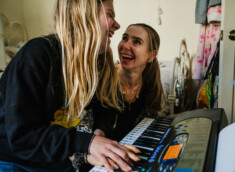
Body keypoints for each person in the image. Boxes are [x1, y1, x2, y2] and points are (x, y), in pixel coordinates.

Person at [0, 0, 139, 172]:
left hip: (50, 158)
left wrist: (99, 134)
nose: (117, 25)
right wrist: (87, 143)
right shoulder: (36, 54)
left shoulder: (97, 61)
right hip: (14, 160)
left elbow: (105, 106)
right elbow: (23, 138)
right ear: (84, 16)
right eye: (109, 15)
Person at [93, 23, 165, 141]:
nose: (125, 46)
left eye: (136, 42)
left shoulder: (150, 88)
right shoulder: (102, 81)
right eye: (124, 38)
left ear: (151, 55)